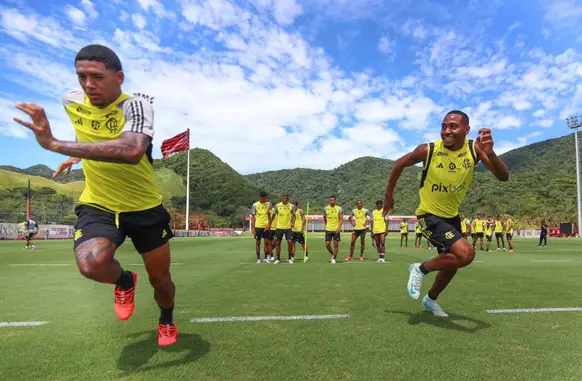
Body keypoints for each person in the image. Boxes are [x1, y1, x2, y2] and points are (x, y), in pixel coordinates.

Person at [14, 45, 178, 345]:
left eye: (97, 77)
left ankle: (166, 320)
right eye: (82, 77)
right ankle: (124, 280)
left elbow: (131, 151)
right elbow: (85, 128)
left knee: (161, 281)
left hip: (144, 207)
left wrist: (55, 145)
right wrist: (75, 156)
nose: (88, 85)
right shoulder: (72, 101)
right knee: (91, 264)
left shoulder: (136, 106)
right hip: (98, 203)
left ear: (119, 78)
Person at [383, 110, 509, 317]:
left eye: (453, 126)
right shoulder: (428, 150)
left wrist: (492, 153)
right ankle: (419, 269)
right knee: (466, 254)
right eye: (443, 126)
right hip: (428, 215)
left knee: (453, 262)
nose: (446, 131)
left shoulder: (475, 149)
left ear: (466, 130)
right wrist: (389, 196)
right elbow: (398, 165)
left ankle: (430, 299)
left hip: (452, 216)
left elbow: (503, 177)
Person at [272, 194, 296, 264]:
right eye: (283, 198)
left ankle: (289, 257)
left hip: (288, 228)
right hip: (279, 227)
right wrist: (269, 223)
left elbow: (294, 216)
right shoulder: (277, 206)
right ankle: (278, 258)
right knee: (278, 242)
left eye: (286, 198)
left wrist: (293, 222)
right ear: (281, 199)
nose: (285, 199)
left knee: (290, 242)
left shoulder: (291, 206)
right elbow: (273, 215)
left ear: (288, 199)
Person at [251, 191, 271, 264]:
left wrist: (269, 224)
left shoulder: (268, 204)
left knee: (266, 242)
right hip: (258, 226)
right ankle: (258, 258)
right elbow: (253, 217)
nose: (266, 199)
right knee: (258, 242)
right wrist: (253, 228)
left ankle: (265, 257)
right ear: (261, 197)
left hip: (266, 226)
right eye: (265, 198)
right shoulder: (255, 205)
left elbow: (269, 215)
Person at [323, 196, 343, 264]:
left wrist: (339, 228)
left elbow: (341, 219)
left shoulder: (339, 209)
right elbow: (324, 217)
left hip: (336, 229)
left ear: (335, 200)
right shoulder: (326, 208)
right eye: (331, 200)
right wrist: (326, 225)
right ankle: (332, 254)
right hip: (328, 229)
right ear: (329, 201)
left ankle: (334, 258)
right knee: (327, 244)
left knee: (336, 243)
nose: (332, 201)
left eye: (333, 200)